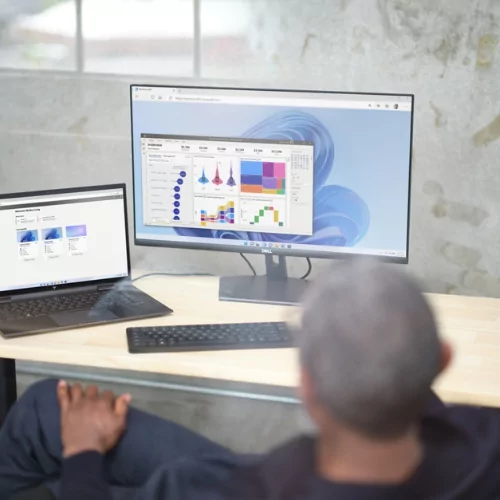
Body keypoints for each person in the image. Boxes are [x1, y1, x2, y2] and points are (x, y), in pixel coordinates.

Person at [1, 260, 500, 500]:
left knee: (49, 410)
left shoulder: (247, 490)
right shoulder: (486, 447)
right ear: (442, 359)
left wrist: (83, 452)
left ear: (307, 386)